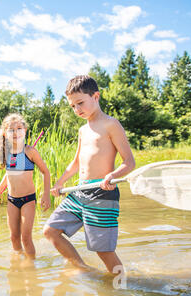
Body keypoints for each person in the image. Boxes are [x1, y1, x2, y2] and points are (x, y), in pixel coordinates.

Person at [43, 75, 136, 275]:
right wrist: (60, 182)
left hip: (102, 193)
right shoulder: (82, 130)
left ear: (95, 96)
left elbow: (129, 162)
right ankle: (83, 269)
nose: (77, 110)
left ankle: (122, 284)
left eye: (80, 103)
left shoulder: (111, 124)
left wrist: (112, 175)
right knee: (50, 231)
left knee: (104, 250)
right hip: (79, 191)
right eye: (72, 106)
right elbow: (76, 162)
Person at [0, 113, 51, 259]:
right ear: (5, 134)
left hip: (27, 200)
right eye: (11, 130)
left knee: (25, 237)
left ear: (24, 130)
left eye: (19, 128)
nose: (15, 132)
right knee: (13, 237)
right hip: (12, 200)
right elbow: (8, 174)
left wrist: (46, 194)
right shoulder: (7, 153)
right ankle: (18, 264)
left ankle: (30, 267)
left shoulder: (30, 151)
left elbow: (45, 172)